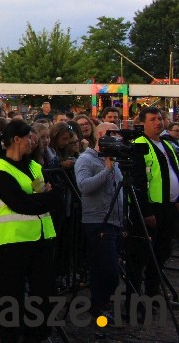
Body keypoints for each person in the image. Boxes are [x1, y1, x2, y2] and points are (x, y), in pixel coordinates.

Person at [0, 120, 61, 343]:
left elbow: (54, 194)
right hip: (13, 241)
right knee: (12, 295)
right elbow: (22, 204)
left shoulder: (34, 166)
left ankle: (38, 335)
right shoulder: (0, 171)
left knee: (44, 292)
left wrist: (44, 198)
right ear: (16, 140)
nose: (32, 141)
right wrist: (46, 198)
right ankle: (10, 337)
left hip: (41, 237)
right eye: (28, 137)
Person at [127, 107, 179, 301]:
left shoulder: (166, 144)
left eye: (159, 119)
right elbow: (138, 182)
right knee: (141, 255)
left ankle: (152, 293)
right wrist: (146, 211)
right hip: (150, 208)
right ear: (142, 123)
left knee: (161, 252)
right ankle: (135, 298)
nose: (158, 122)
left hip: (168, 206)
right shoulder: (139, 145)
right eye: (152, 119)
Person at [75, 122, 123, 330]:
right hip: (97, 221)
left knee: (108, 269)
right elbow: (84, 186)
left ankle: (101, 306)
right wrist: (107, 170)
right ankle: (98, 307)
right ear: (101, 135)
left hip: (115, 220)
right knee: (107, 269)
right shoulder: (86, 159)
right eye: (114, 134)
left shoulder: (113, 159)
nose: (118, 139)